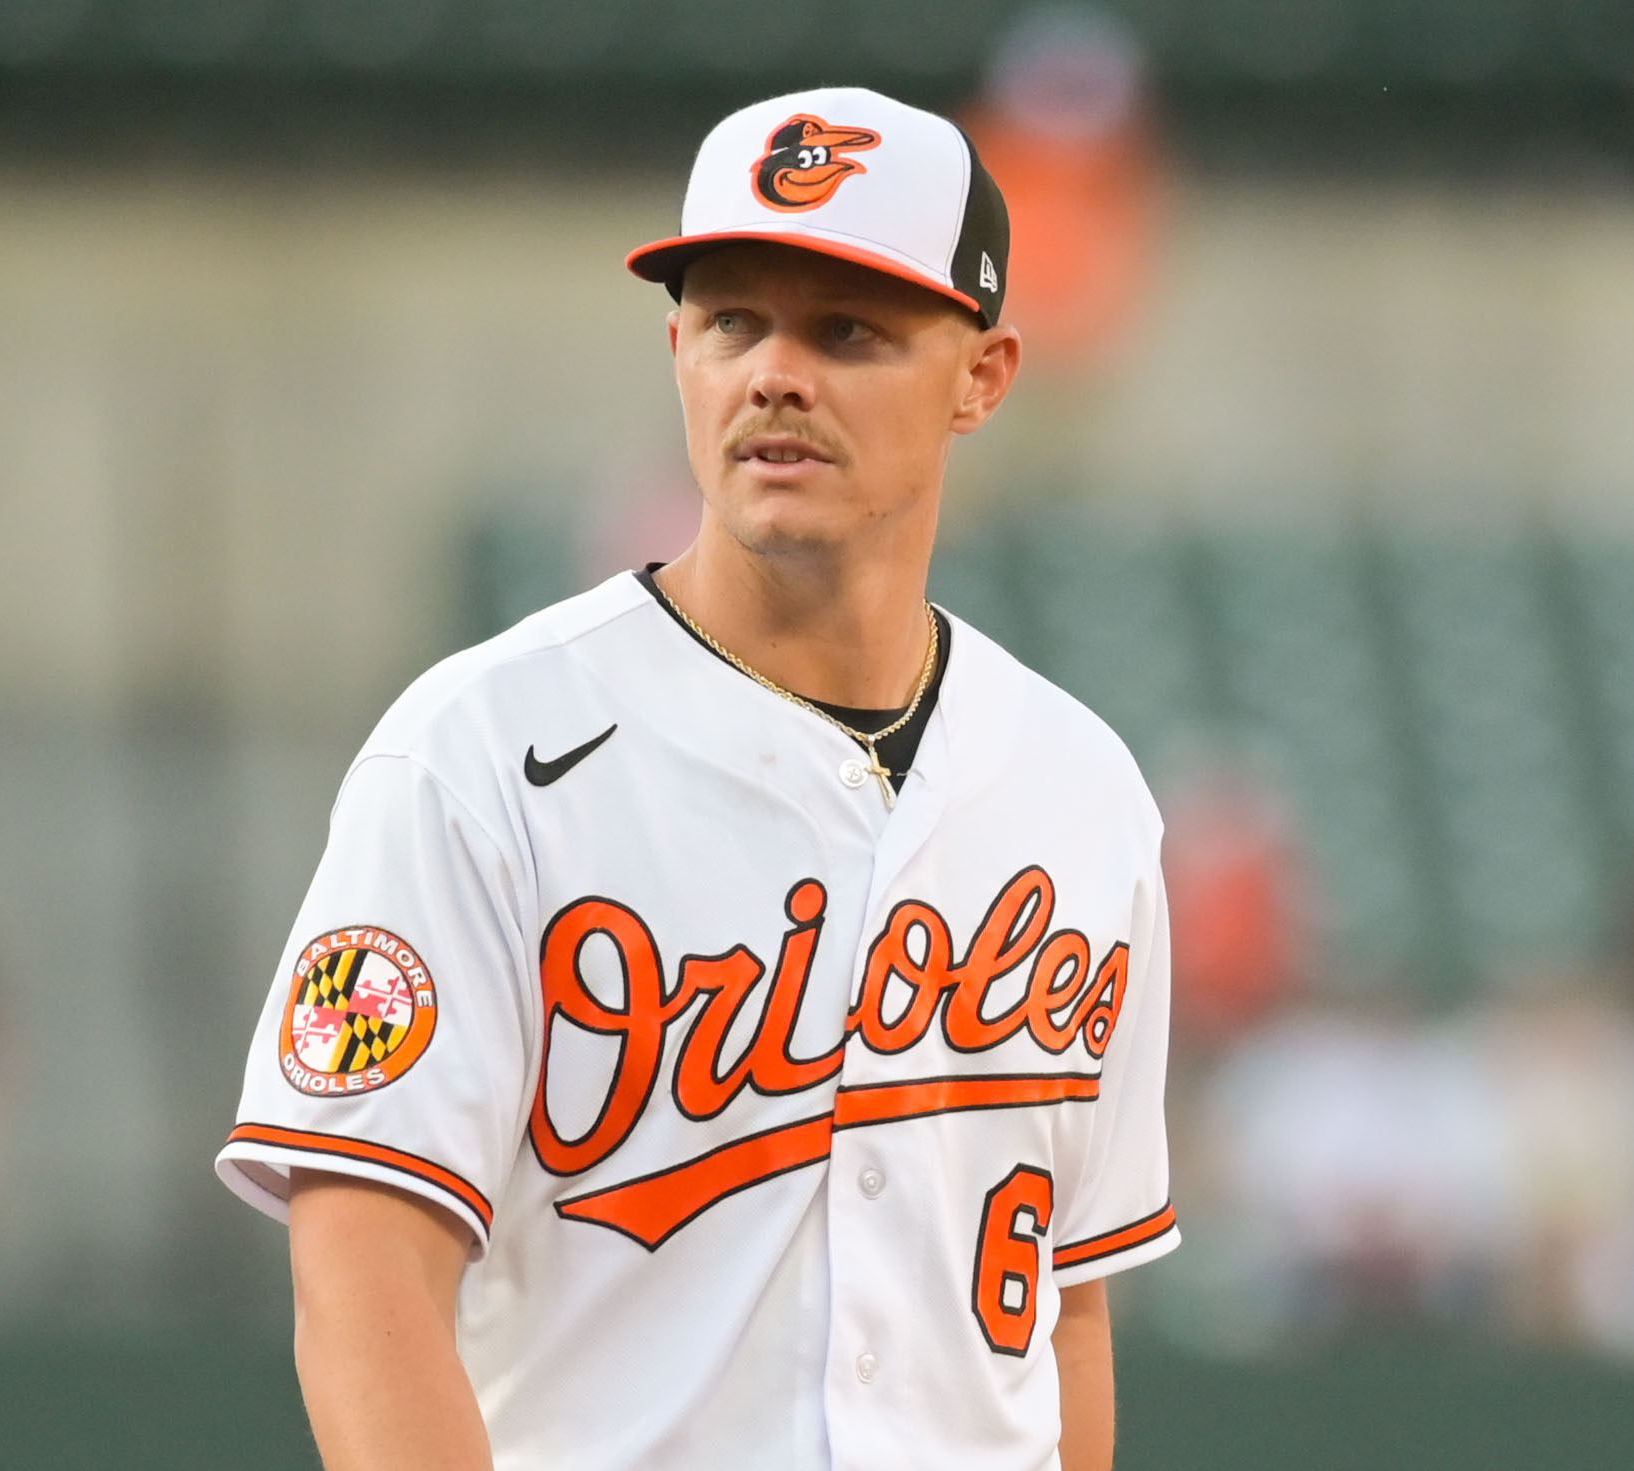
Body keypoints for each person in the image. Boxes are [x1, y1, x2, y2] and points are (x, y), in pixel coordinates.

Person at [216, 86, 1178, 1471]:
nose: (775, 373)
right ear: (678, 351)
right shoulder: (479, 753)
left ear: (984, 375)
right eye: (733, 320)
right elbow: (361, 1266)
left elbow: (1065, 1310)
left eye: (847, 329)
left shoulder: (1082, 789)